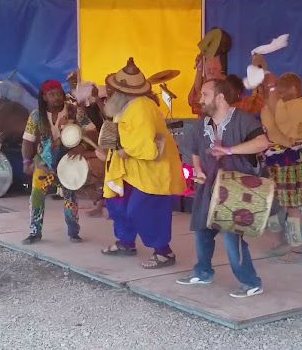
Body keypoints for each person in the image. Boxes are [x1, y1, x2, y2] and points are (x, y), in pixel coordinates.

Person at [176, 79, 270, 298]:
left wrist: (229, 150)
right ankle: (203, 272)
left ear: (220, 97)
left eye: (205, 94)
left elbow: (262, 143)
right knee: (202, 230)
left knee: (231, 237)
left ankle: (251, 282)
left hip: (235, 188)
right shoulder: (202, 125)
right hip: (208, 186)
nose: (200, 99)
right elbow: (196, 151)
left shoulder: (242, 120)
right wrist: (198, 170)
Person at [97, 58, 186, 269]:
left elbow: (145, 145)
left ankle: (164, 252)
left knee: (144, 210)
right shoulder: (125, 106)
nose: (109, 92)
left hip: (150, 171)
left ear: (123, 92)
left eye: (113, 89)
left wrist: (121, 149)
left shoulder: (143, 107)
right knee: (118, 204)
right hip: (130, 170)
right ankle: (126, 242)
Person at [260, 73, 302, 263]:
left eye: (281, 91)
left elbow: (283, 125)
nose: (279, 95)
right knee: (274, 203)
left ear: (293, 89)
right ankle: (279, 241)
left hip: (295, 160)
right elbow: (272, 121)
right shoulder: (284, 106)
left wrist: (271, 95)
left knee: (293, 207)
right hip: (279, 160)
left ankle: (297, 247)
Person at [21, 79, 97, 244]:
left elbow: (93, 132)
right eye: (52, 94)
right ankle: (35, 232)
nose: (57, 97)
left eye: (59, 93)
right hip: (44, 163)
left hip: (68, 161)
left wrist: (82, 146)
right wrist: (26, 162)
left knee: (70, 198)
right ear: (44, 97)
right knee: (37, 196)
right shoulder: (36, 115)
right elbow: (27, 141)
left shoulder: (75, 112)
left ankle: (73, 232)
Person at [67, 72, 107, 217]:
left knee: (84, 170)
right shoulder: (79, 112)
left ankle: (103, 203)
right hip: (99, 152)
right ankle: (100, 202)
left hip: (105, 153)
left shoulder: (98, 112)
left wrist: (85, 152)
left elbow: (99, 143)